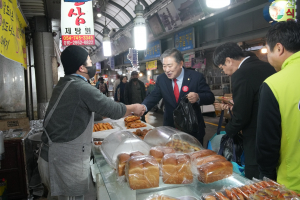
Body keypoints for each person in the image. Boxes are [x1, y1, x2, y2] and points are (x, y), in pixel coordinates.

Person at [37, 45, 145, 200]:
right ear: (81, 67)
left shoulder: (65, 83)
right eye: (89, 62)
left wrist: (101, 118)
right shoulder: (80, 87)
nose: (91, 65)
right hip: (63, 162)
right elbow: (112, 109)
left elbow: (75, 112)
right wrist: (134, 107)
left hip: (51, 157)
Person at [212, 42, 276, 179]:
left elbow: (242, 116)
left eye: (221, 67)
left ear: (228, 61)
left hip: (255, 137)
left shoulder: (241, 74)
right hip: (275, 132)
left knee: (254, 178)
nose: (223, 71)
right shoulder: (268, 66)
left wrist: (228, 132)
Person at [256, 21, 300, 192]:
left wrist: (266, 179)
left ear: (279, 48)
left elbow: (267, 142)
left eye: (268, 51)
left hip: (292, 185)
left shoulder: (275, 84)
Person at [142, 48, 215, 144]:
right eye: (164, 66)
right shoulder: (161, 79)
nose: (167, 70)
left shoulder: (196, 77)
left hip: (192, 129)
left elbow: (210, 97)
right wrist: (143, 107)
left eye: (170, 66)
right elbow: (154, 96)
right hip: (170, 129)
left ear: (181, 64)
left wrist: (198, 97)